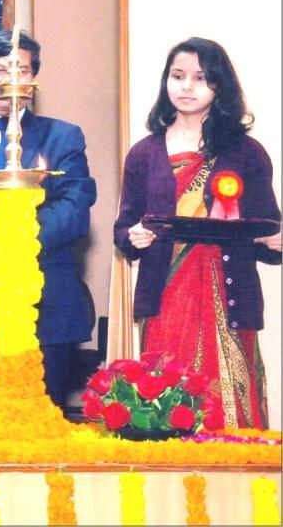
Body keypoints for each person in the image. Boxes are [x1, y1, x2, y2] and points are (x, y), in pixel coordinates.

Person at [114, 37, 281, 429]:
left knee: (226, 408)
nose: (187, 86)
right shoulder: (144, 154)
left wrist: (274, 241)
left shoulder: (246, 152)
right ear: (166, 81)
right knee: (167, 397)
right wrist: (133, 235)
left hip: (228, 291)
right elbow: (123, 229)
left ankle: (235, 465)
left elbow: (269, 225)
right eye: (178, 76)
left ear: (219, 86)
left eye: (201, 78)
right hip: (165, 294)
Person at [0, 30, 97, 423]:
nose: (9, 80)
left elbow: (73, 211)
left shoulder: (63, 136)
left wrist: (7, 252)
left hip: (45, 308)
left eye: (21, 70)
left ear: (34, 79)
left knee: (40, 430)